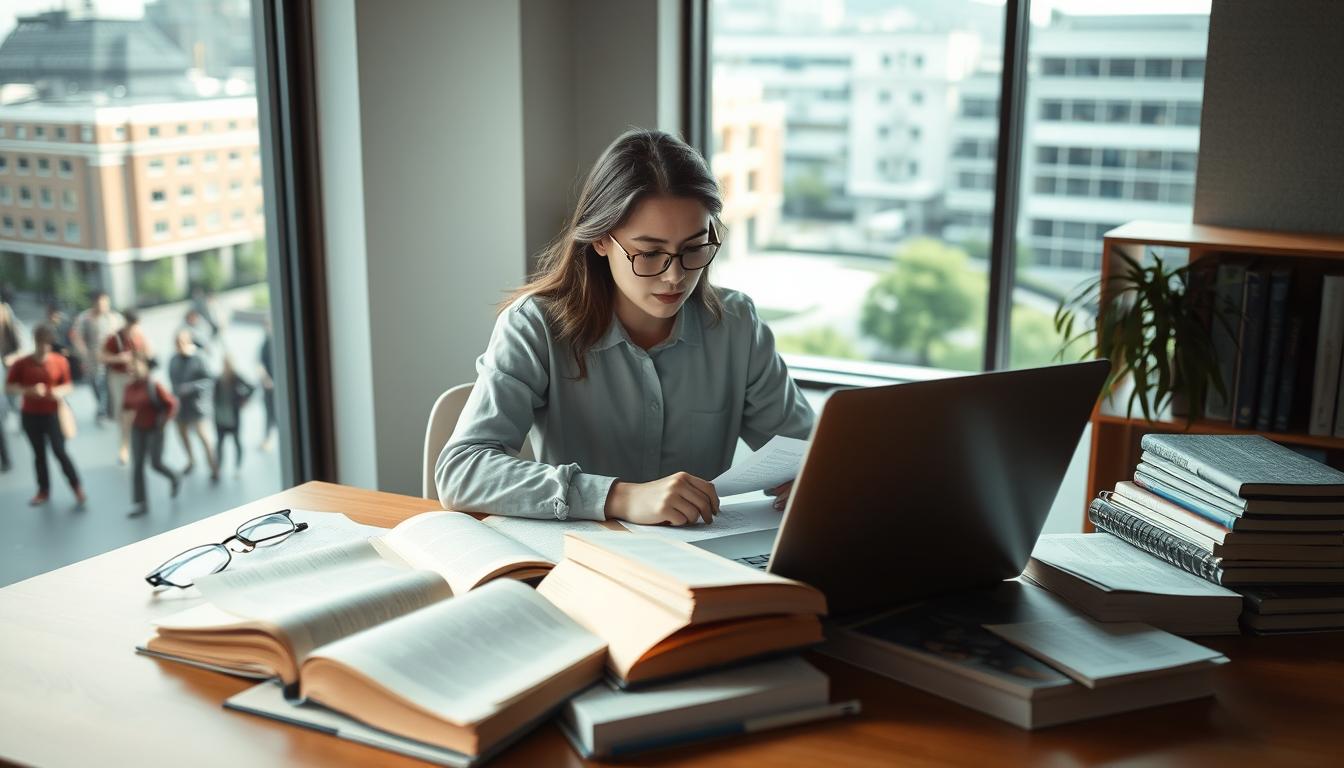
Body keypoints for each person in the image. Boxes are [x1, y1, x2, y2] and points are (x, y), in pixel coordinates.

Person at [436, 129, 814, 525]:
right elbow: (461, 471)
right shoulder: (534, 325)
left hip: (703, 563)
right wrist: (619, 497)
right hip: (582, 562)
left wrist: (811, 475)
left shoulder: (737, 325)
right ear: (601, 239)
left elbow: (808, 452)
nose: (674, 276)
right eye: (650, 253)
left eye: (693, 248)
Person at [4, 325, 86, 506]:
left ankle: (77, 486)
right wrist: (29, 390)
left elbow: (69, 385)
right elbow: (9, 387)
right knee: (38, 454)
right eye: (41, 344)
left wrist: (58, 391)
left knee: (60, 451)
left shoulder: (59, 361)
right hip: (31, 415)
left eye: (47, 345)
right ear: (35, 343)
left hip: (53, 413)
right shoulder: (22, 363)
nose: (44, 349)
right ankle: (43, 491)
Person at [123, 352, 179, 515]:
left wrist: (163, 421)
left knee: (155, 463)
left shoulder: (154, 386)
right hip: (138, 428)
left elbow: (171, 404)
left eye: (135, 366)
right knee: (138, 465)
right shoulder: (129, 387)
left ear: (144, 367)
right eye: (130, 368)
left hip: (155, 428)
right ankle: (141, 504)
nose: (132, 370)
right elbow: (126, 407)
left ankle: (174, 477)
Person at [100, 309, 151, 465]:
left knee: (138, 413)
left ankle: (140, 446)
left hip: (136, 377)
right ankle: (124, 448)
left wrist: (140, 360)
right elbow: (102, 356)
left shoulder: (139, 336)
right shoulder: (114, 338)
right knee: (124, 414)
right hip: (119, 378)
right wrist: (118, 358)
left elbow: (148, 353)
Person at [168, 329, 218, 480]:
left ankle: (213, 467)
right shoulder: (173, 360)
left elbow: (210, 380)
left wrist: (191, 387)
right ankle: (190, 460)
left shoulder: (199, 358)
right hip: (181, 405)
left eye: (182, 342)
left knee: (204, 436)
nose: (180, 345)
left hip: (197, 405)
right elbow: (173, 381)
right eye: (177, 343)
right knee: (181, 433)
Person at [70, 291, 123, 425]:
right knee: (98, 386)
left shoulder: (114, 317)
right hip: (93, 359)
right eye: (100, 303)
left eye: (106, 302)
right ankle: (102, 409)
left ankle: (104, 412)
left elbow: (122, 335)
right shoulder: (85, 318)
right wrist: (84, 354)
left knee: (109, 386)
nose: (103, 306)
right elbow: (77, 337)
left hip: (111, 358)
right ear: (94, 303)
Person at [1, 301, 33, 474]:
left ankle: (21, 421)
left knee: (15, 402)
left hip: (13, 371)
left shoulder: (14, 327)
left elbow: (25, 348)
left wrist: (12, 358)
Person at [214, 355, 255, 475]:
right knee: (220, 443)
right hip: (220, 416)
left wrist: (243, 400)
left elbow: (252, 387)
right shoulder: (218, 379)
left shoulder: (236, 377)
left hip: (233, 416)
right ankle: (219, 467)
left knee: (237, 441)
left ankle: (237, 467)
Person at [257, 320, 276, 451]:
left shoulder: (274, 341)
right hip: (269, 386)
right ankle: (268, 438)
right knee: (269, 412)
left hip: (277, 385)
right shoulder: (266, 343)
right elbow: (260, 364)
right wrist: (266, 379)